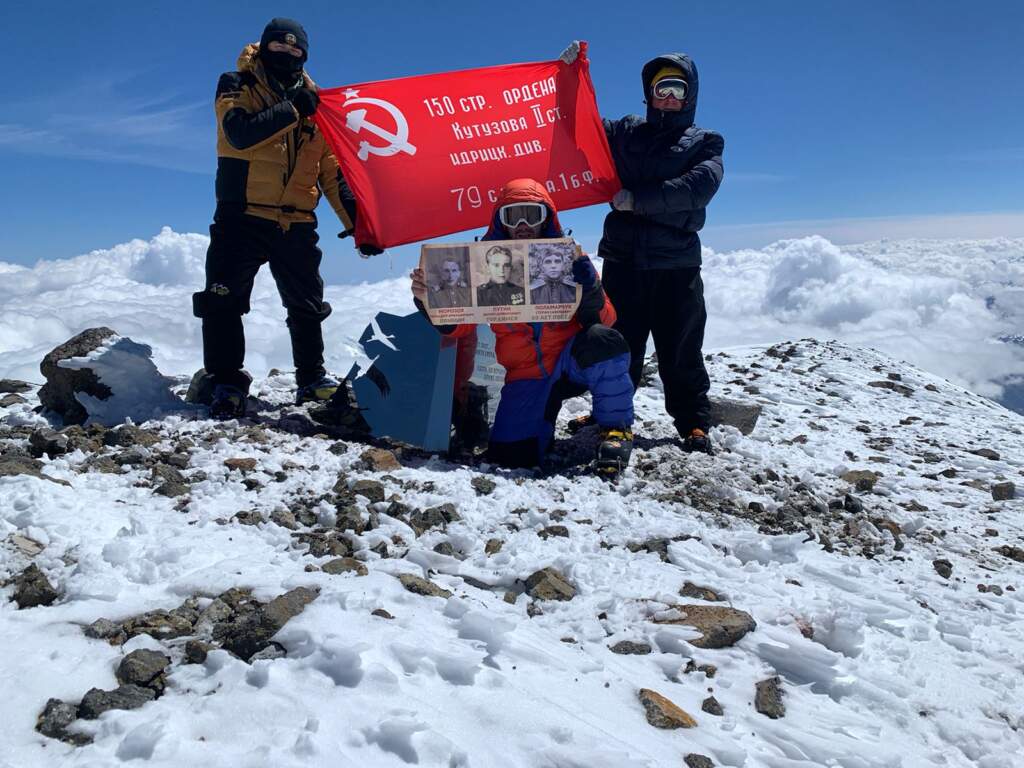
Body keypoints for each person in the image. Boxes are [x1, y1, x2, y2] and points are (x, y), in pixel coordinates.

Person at [192, 18, 382, 420]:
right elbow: (238, 134)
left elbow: (331, 172)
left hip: (296, 220)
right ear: (264, 48)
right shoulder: (236, 84)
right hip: (240, 215)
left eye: (296, 51)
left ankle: (311, 379)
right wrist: (294, 109)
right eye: (279, 48)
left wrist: (360, 228)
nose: (288, 55)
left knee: (307, 304)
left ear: (305, 56)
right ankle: (226, 382)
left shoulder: (316, 103)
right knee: (222, 301)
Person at [560, 45, 724, 454]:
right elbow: (579, 128)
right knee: (619, 344)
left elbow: (699, 188)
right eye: (660, 88)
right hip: (625, 262)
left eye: (677, 88)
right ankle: (609, 414)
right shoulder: (626, 132)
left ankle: (693, 423)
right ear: (648, 94)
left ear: (690, 95)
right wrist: (566, 80)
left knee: (680, 346)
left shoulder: (706, 142)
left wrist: (638, 199)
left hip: (677, 265)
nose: (668, 96)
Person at [411, 179, 635, 475]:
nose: (522, 224)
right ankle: (534, 431)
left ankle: (616, 428)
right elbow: (460, 327)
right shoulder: (484, 266)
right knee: (511, 456)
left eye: (532, 214)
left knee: (602, 340)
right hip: (526, 375)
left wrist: (590, 287)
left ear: (547, 217)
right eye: (512, 215)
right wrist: (430, 302)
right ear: (499, 221)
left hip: (570, 362)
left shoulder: (568, 256)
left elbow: (605, 321)